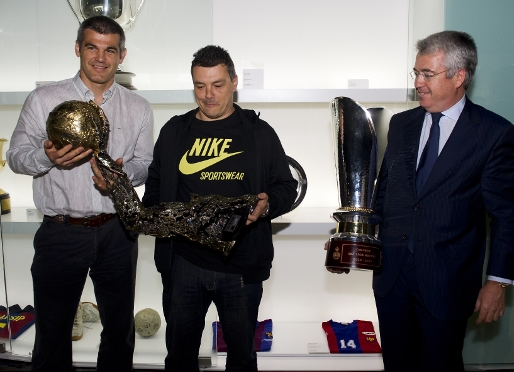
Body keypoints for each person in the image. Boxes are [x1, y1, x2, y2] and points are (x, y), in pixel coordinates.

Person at [6, 16, 153, 371]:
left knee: (119, 331)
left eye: (110, 50)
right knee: (53, 334)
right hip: (60, 231)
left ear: (122, 55)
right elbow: (15, 157)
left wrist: (120, 175)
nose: (100, 58)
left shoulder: (138, 107)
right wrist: (47, 157)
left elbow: (145, 164)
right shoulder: (44, 99)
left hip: (117, 232)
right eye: (92, 47)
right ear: (78, 49)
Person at [141, 45, 297, 371]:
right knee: (180, 358)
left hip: (241, 267)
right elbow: (154, 185)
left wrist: (266, 207)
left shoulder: (259, 133)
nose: (208, 95)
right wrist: (154, 214)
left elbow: (286, 186)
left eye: (218, 85)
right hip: (183, 264)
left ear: (234, 82)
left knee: (242, 358)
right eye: (200, 86)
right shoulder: (174, 131)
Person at [373, 30, 514, 371]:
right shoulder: (402, 124)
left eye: (427, 74)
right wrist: (354, 236)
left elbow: (507, 215)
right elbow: (386, 191)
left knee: (441, 363)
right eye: (416, 73)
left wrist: (497, 282)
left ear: (459, 76)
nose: (418, 83)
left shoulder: (494, 134)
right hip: (392, 276)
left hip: (447, 280)